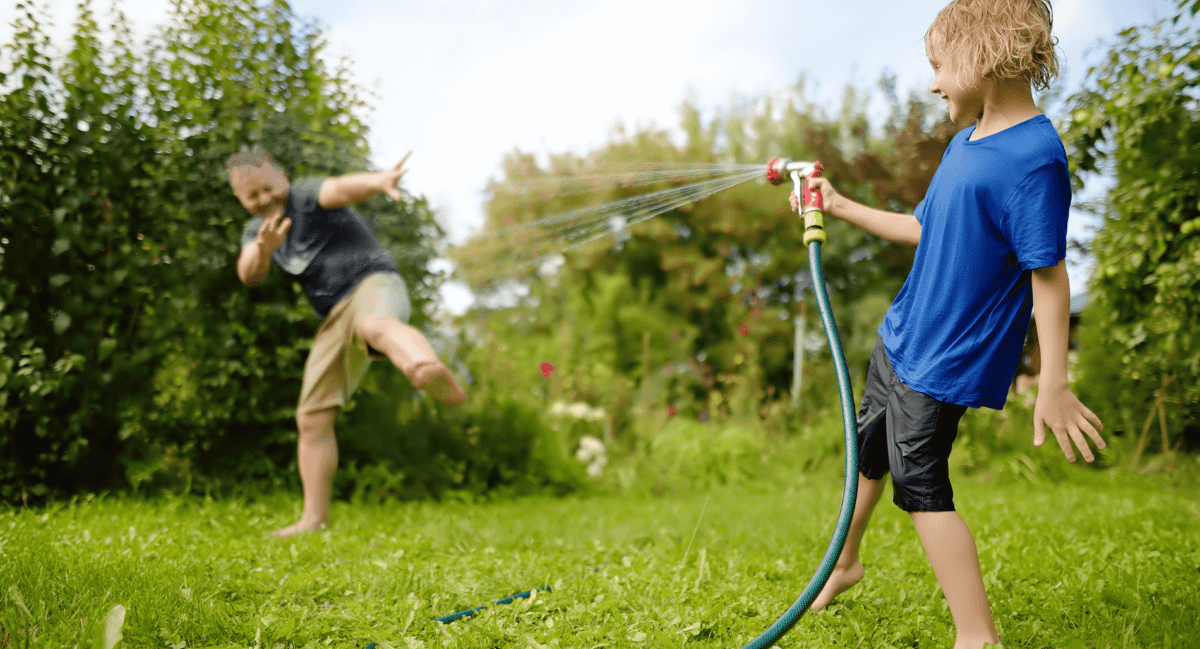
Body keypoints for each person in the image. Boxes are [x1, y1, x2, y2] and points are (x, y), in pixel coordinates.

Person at [788, 1, 1106, 647]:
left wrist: (1053, 379)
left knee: (919, 479)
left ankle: (975, 633)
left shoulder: (1034, 158)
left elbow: (1048, 273)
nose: (933, 83)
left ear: (983, 55)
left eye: (940, 66)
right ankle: (844, 563)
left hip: (947, 358)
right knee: (869, 448)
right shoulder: (966, 143)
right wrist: (840, 203)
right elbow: (924, 227)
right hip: (904, 333)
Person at [228, 146, 466, 538]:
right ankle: (312, 520)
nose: (264, 198)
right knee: (312, 416)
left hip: (373, 283)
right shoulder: (256, 233)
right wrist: (262, 251)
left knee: (375, 324)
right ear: (240, 199)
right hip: (335, 314)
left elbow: (340, 189)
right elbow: (248, 274)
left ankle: (423, 368)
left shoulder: (305, 196)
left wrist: (378, 181)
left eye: (268, 188)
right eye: (252, 196)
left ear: (282, 177)